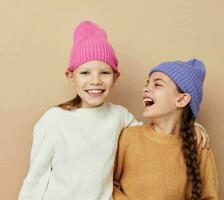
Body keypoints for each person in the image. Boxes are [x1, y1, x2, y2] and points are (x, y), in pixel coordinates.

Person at [18, 21, 209, 200]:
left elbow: (158, 131)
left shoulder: (119, 116)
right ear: (71, 77)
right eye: (85, 72)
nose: (96, 81)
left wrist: (192, 125)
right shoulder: (54, 119)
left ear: (116, 76)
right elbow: (36, 179)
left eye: (105, 72)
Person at [113, 59, 218, 200]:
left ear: (181, 100)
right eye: (147, 83)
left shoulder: (200, 148)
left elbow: (209, 197)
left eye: (157, 84)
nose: (146, 88)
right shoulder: (129, 137)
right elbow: (109, 185)